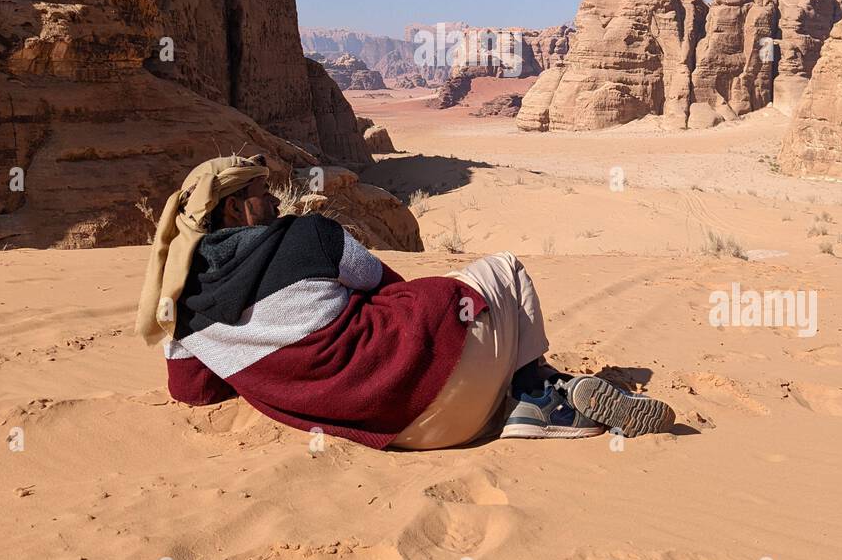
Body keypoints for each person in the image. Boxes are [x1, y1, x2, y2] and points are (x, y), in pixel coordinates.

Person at [135, 154, 675, 450]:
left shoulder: (179, 305)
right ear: (234, 211)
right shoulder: (308, 236)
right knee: (502, 268)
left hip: (404, 434)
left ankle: (522, 401)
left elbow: (191, 391)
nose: (275, 199)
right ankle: (537, 391)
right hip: (432, 375)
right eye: (260, 193)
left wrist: (256, 348)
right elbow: (390, 287)